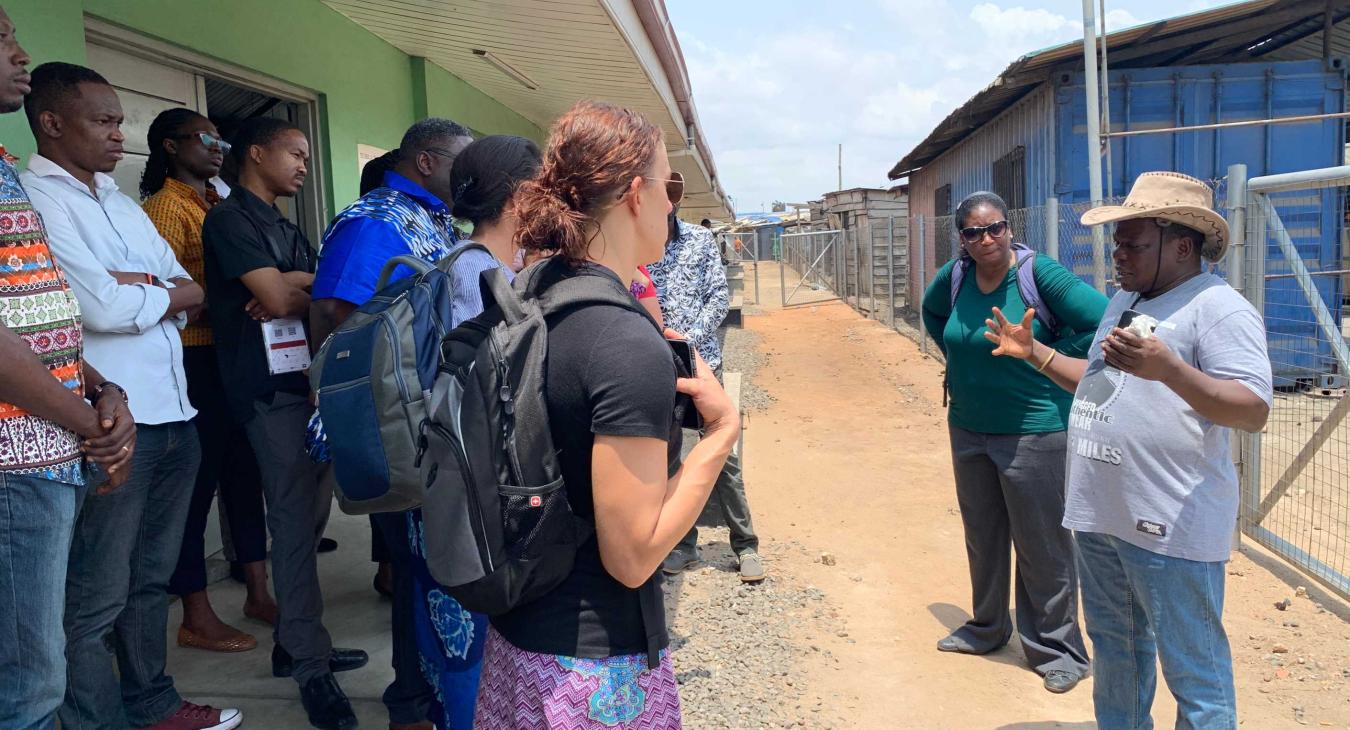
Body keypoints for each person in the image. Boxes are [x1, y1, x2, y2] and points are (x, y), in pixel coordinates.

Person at [472, 99, 738, 727]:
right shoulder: (623, 344)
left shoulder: (531, 295)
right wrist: (722, 433)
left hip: (515, 641)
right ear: (636, 194)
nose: (675, 203)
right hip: (590, 672)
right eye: (669, 185)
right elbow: (633, 554)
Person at [984, 172, 1272, 727]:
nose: (1117, 253)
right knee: (1117, 651)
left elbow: (1252, 410)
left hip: (1169, 524)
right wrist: (1036, 354)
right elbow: (1096, 383)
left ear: (1181, 246)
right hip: (1102, 515)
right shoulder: (1125, 299)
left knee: (1195, 671)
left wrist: (1170, 370)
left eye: (1132, 243)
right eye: (1118, 241)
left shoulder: (1218, 308)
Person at [21, 62, 242, 730]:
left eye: (122, 121)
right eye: (104, 121)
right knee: (94, 596)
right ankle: (95, 719)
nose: (122, 135)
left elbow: (190, 287)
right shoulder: (36, 198)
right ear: (52, 122)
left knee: (152, 579)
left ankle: (153, 704)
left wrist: (140, 289)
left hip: (175, 414)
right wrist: (150, 294)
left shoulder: (119, 202)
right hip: (113, 423)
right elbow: (97, 307)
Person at [310, 117, 477, 730]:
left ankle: (427, 696)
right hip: (397, 427)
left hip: (434, 423)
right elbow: (336, 312)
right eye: (464, 162)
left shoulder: (434, 217)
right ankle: (409, 704)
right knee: (416, 573)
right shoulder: (374, 219)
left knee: (427, 570)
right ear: (428, 161)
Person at [202, 116, 367, 730]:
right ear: (255, 153)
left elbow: (318, 296)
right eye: (294, 153)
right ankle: (308, 664)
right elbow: (280, 303)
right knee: (295, 523)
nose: (304, 164)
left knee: (311, 516)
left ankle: (294, 644)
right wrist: (296, 289)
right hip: (267, 394)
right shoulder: (229, 220)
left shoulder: (286, 228)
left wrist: (296, 283)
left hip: (305, 388)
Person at [0, 11, 136, 728]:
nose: (20, 54)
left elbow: (31, 316)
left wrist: (101, 386)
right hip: (13, 466)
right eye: (0, 37)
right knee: (26, 685)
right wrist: (96, 425)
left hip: (48, 451)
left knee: (36, 669)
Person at [919, 191, 1102, 693]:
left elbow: (1103, 321)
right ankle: (988, 627)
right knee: (984, 533)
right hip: (969, 426)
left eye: (995, 228)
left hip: (1035, 428)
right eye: (974, 232)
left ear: (1009, 228)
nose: (986, 239)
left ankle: (1058, 648)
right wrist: (963, 358)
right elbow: (933, 314)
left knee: (1042, 542)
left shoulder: (1040, 275)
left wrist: (1043, 354)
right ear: (962, 238)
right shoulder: (955, 277)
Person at [141, 107, 278, 654]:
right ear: (171, 147)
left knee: (246, 475)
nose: (216, 146)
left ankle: (259, 591)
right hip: (194, 363)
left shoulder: (223, 203)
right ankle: (195, 613)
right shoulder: (163, 210)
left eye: (221, 138)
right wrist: (232, 298)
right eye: (203, 138)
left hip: (237, 357)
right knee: (196, 490)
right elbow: (162, 296)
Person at [651, 210, 764, 583]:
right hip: (657, 367)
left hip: (701, 364)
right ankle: (684, 546)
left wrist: (686, 345)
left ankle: (746, 545)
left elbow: (718, 297)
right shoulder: (641, 244)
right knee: (673, 457)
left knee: (721, 455)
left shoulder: (698, 241)